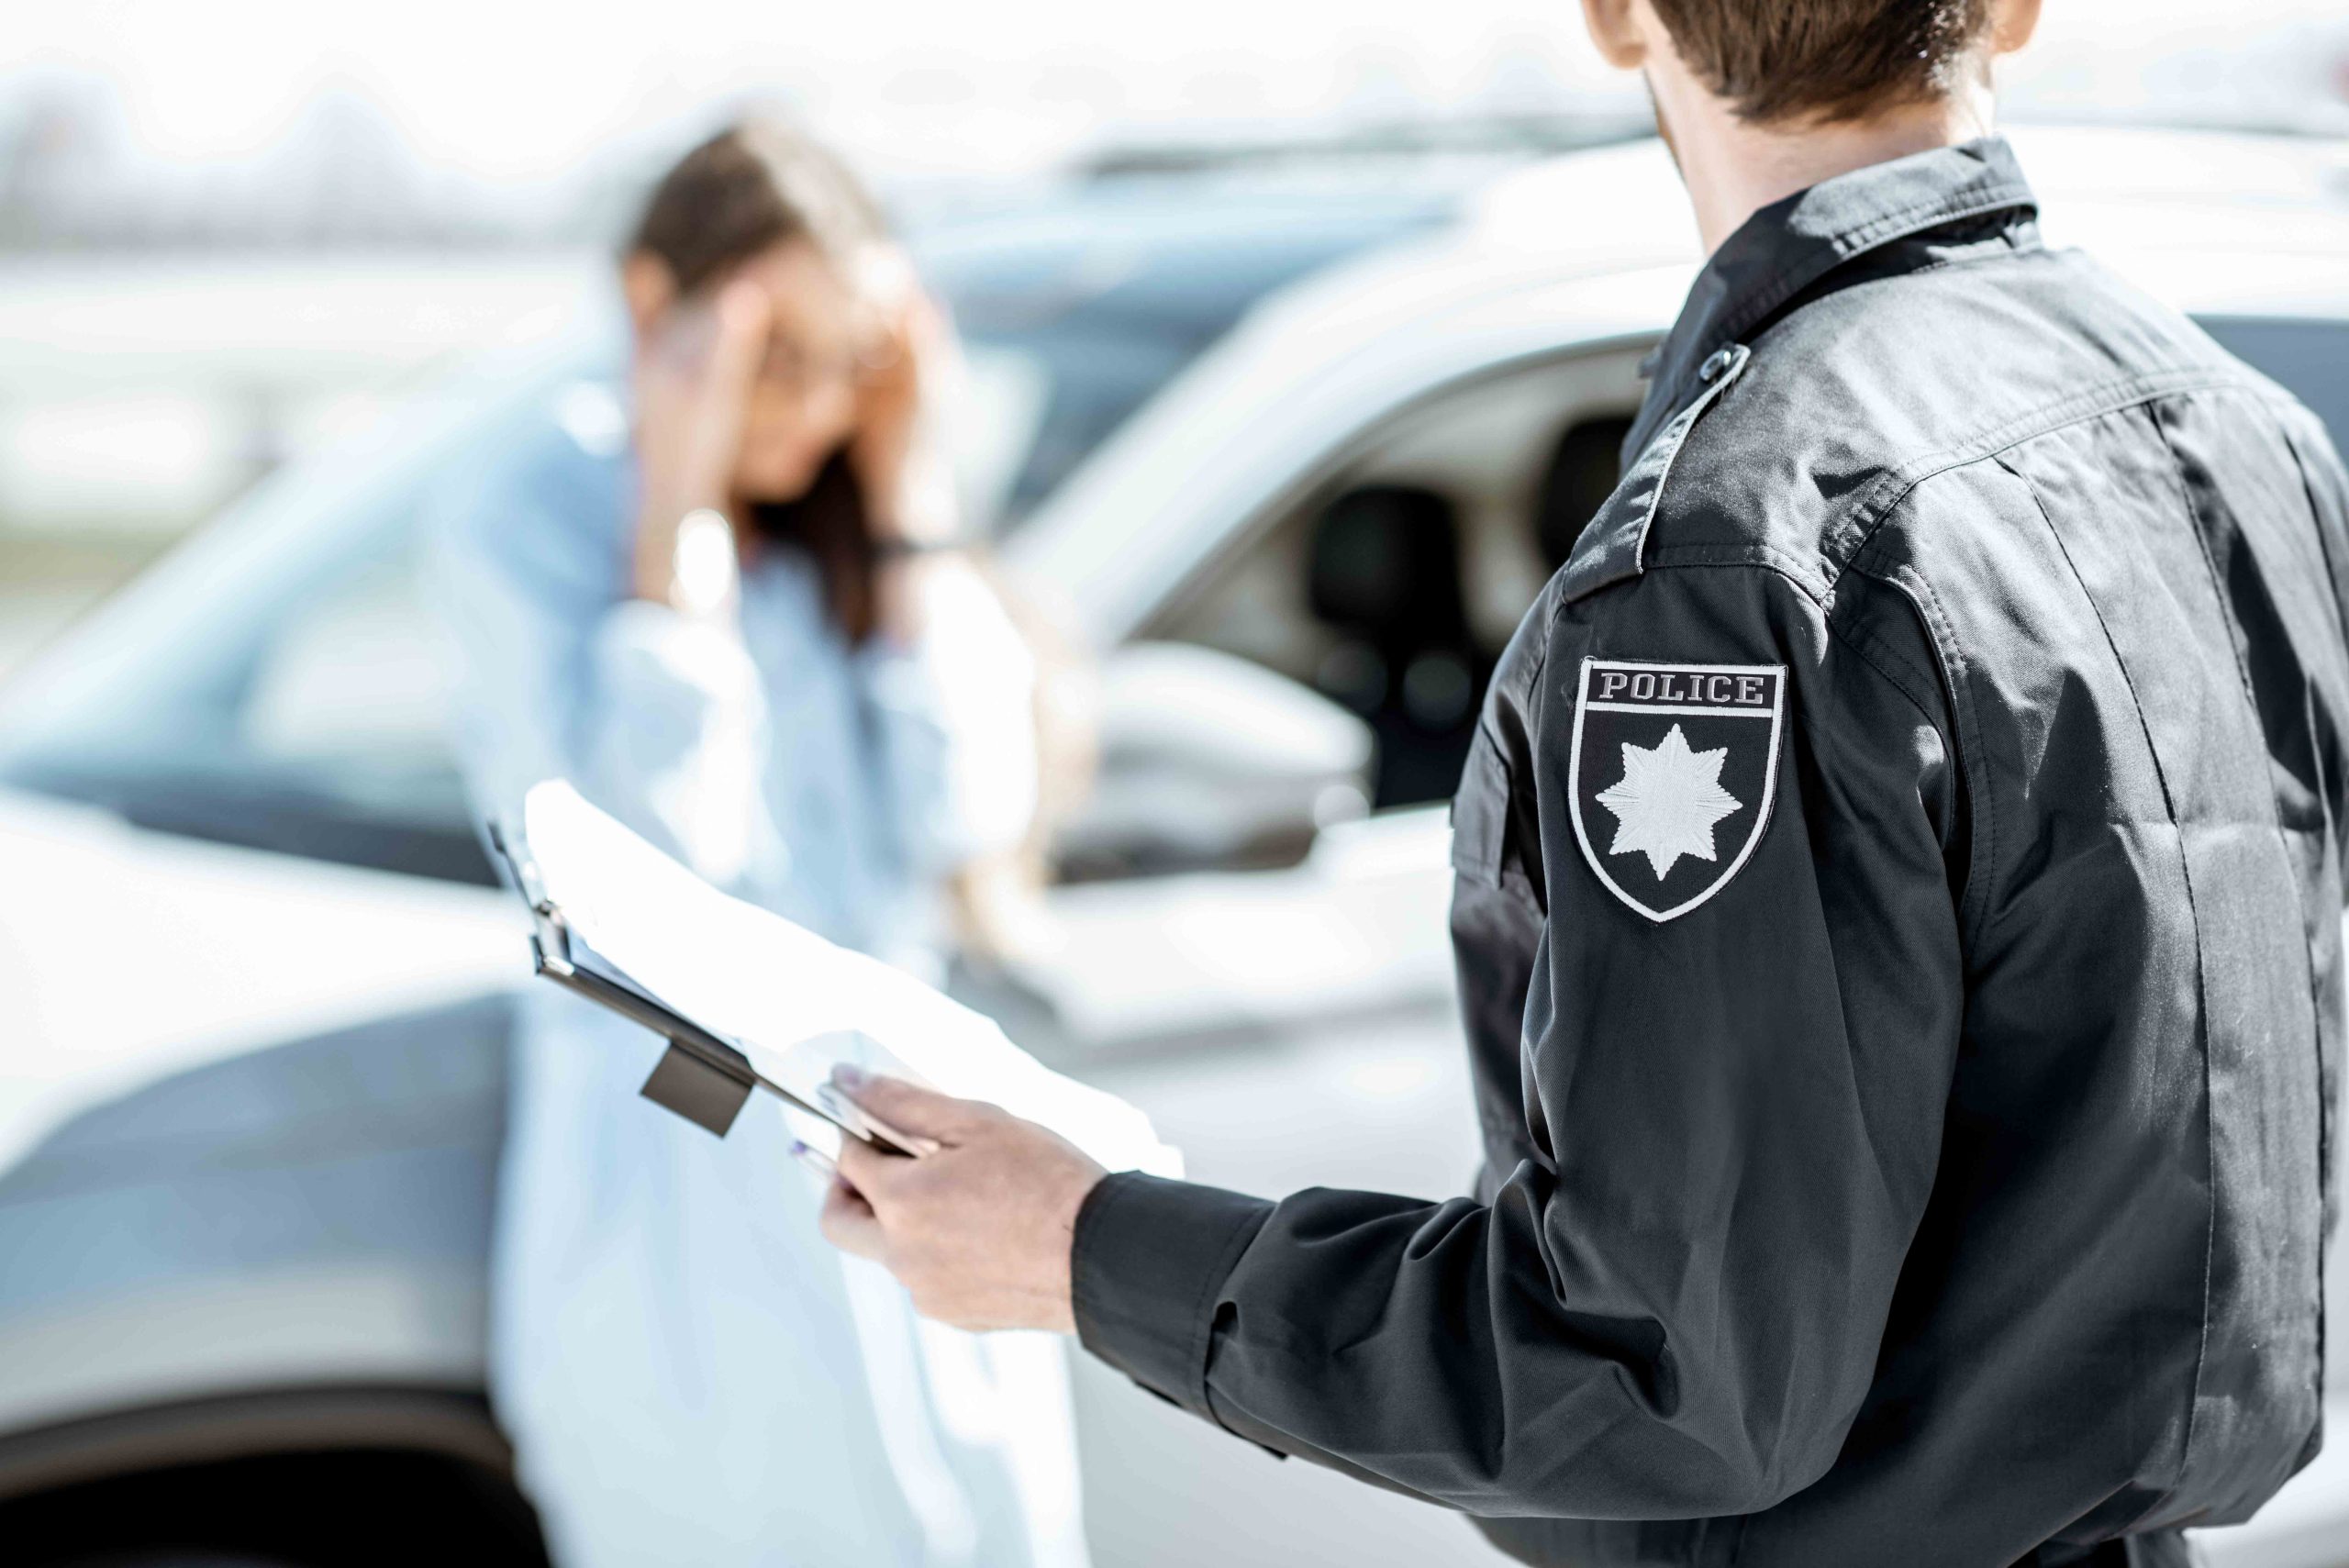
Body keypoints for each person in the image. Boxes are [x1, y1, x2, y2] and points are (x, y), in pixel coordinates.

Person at [814, 2, 2349, 1563]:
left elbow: (1657, 1373)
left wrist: (1080, 1244)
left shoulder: (1736, 557)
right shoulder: (2248, 438)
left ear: (1619, 18)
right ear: (2017, 7)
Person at [431, 120, 1085, 1568]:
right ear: (655, 306)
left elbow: (965, 807)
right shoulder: (530, 513)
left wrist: (910, 500)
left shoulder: (850, 517)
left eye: (848, 358)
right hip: (678, 1166)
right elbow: (635, 871)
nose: (809, 407)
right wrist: (673, 518)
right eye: (771, 351)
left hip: (910, 1161)